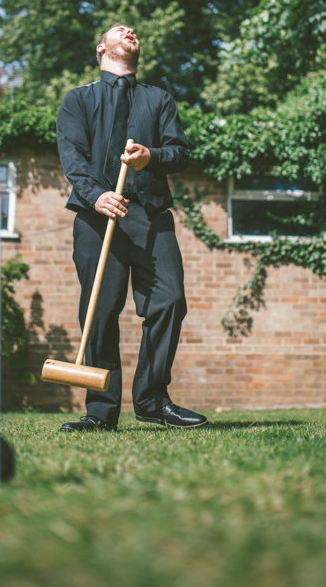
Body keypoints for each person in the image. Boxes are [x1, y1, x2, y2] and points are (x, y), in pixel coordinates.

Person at [55, 23, 208, 431]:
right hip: (96, 215)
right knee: (100, 312)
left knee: (170, 300)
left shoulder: (159, 99)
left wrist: (150, 157)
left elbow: (180, 153)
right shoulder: (78, 101)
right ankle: (101, 412)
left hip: (151, 217)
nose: (130, 29)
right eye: (119, 29)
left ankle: (153, 400)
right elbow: (73, 157)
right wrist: (96, 195)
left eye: (134, 30)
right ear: (101, 46)